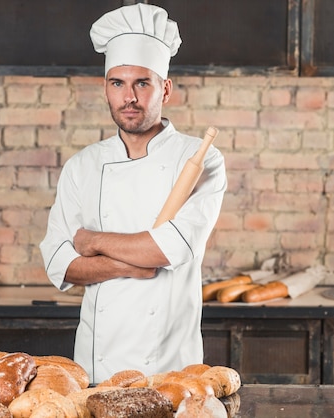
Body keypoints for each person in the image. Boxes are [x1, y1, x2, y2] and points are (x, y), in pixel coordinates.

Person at [39, 3, 227, 384]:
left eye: (142, 83)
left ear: (166, 89)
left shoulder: (198, 158)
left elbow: (165, 250)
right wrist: (128, 264)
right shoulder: (83, 166)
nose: (129, 97)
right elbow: (61, 264)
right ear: (105, 89)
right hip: (94, 370)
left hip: (170, 370)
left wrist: (92, 240)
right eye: (117, 83)